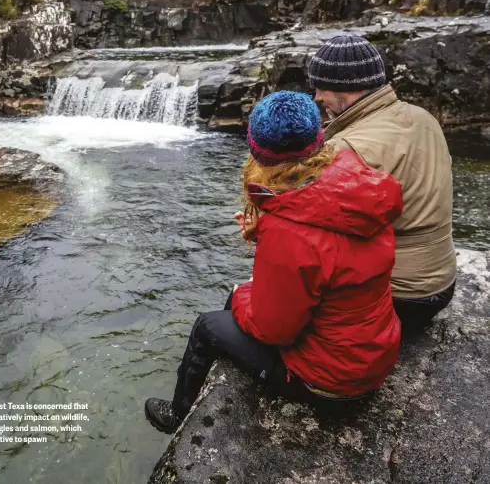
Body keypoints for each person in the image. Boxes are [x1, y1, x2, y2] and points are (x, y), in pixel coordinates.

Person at [144, 91, 403, 434]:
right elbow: (329, 255)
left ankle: (179, 417)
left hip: (330, 381)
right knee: (240, 299)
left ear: (258, 153)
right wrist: (266, 231)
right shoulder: (357, 182)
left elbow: (274, 331)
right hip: (373, 355)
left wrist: (242, 295)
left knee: (208, 325)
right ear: (318, 139)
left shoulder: (289, 231)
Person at [307, 33, 458, 329]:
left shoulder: (347, 147)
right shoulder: (423, 118)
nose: (317, 97)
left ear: (345, 88)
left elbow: (319, 236)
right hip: (443, 284)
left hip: (397, 297)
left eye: (321, 88)